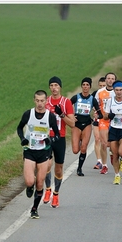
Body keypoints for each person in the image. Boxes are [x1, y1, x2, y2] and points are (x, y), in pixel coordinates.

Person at [16, 90, 60, 219]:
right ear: (34, 100)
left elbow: (57, 135)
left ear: (46, 101)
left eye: (42, 101)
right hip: (29, 151)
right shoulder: (28, 114)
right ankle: (29, 187)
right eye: (37, 100)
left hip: (44, 152)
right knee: (30, 181)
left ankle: (34, 209)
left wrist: (50, 140)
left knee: (40, 184)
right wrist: (22, 139)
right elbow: (19, 128)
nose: (40, 103)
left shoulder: (50, 116)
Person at [43, 76, 75, 208]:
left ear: (60, 87)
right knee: (46, 164)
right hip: (47, 138)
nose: (54, 88)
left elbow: (72, 123)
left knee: (59, 168)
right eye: (51, 85)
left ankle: (56, 194)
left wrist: (61, 114)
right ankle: (48, 189)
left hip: (60, 139)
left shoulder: (66, 102)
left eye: (56, 85)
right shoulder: (45, 102)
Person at [70, 77, 103, 176]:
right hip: (77, 124)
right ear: (81, 86)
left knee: (83, 148)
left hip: (87, 124)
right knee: (76, 150)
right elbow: (66, 106)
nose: (85, 87)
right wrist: (71, 116)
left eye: (87, 85)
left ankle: (79, 168)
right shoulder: (76, 97)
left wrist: (97, 115)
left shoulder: (92, 99)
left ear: (90, 87)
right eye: (83, 85)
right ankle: (79, 140)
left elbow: (100, 113)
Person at [95, 72, 117, 175]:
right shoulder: (100, 92)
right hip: (103, 120)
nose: (110, 80)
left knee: (113, 144)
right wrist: (96, 114)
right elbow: (95, 105)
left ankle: (113, 154)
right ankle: (104, 166)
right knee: (103, 143)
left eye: (112, 78)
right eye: (108, 78)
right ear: (106, 80)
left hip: (115, 120)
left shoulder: (117, 91)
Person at [91, 77, 106, 169]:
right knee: (97, 139)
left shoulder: (111, 93)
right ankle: (99, 161)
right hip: (97, 119)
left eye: (103, 85)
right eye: (100, 85)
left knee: (106, 142)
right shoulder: (95, 94)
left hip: (107, 120)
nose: (102, 87)